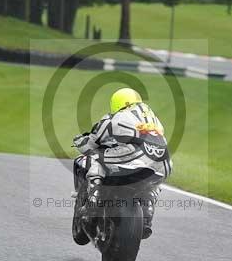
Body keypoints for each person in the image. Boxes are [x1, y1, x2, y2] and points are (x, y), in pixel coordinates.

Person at [72, 88, 172, 239]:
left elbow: (92, 142)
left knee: (95, 158)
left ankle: (93, 204)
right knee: (153, 182)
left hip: (134, 156)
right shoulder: (153, 119)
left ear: (117, 103)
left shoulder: (115, 117)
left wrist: (79, 141)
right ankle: (147, 214)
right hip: (164, 161)